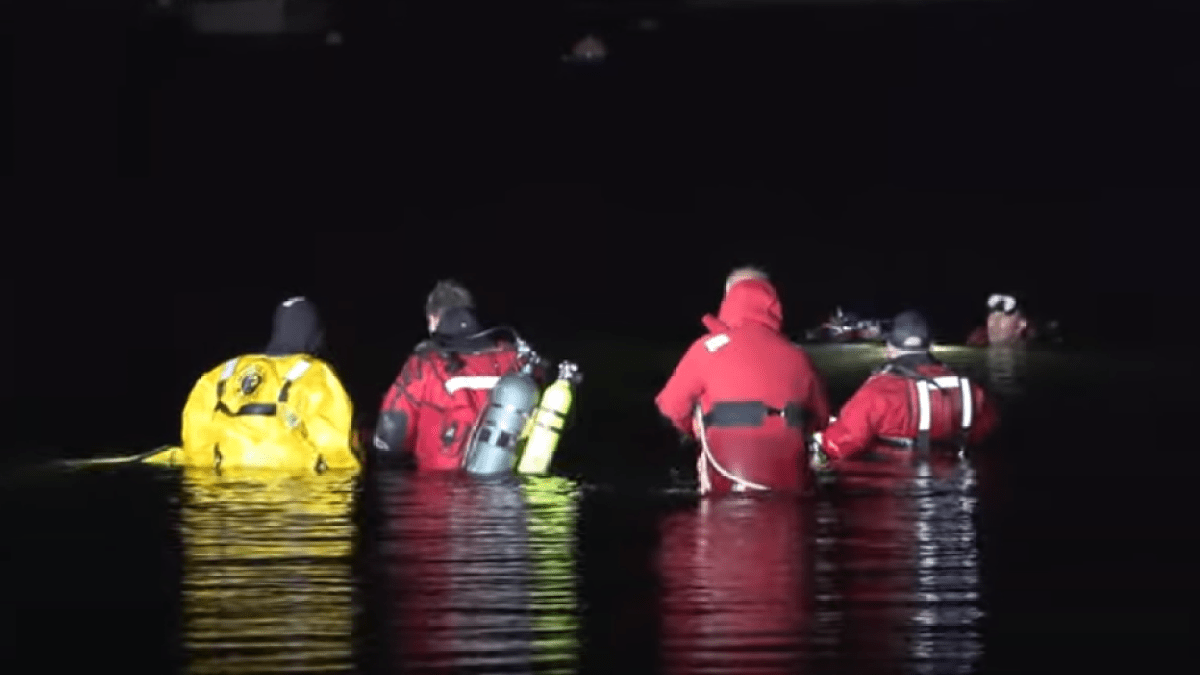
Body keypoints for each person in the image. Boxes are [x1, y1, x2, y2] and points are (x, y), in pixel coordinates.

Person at [655, 267, 831, 496]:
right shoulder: (799, 357)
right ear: (773, 302)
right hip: (791, 490)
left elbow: (670, 408)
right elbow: (822, 419)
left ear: (728, 299)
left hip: (726, 486)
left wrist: (695, 430)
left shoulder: (706, 349)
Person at [148, 296, 360, 472]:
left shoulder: (222, 373)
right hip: (290, 494)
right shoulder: (316, 374)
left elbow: (195, 435)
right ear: (315, 336)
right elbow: (337, 457)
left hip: (218, 496)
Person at [373, 280, 542, 471]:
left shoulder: (424, 364)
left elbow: (390, 437)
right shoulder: (514, 357)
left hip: (441, 492)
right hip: (507, 489)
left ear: (434, 317)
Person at [812, 310, 1000, 468]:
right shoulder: (970, 389)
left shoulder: (877, 393)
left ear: (889, 348)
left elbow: (836, 446)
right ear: (930, 345)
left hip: (895, 493)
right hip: (955, 496)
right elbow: (986, 431)